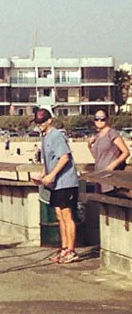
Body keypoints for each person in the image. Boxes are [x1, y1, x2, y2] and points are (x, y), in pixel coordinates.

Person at [33, 108, 80, 264]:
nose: (39, 124)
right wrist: (43, 175)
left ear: (49, 121)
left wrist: (52, 175)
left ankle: (71, 251)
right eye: (37, 122)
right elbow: (50, 161)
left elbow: (64, 157)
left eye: (42, 121)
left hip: (66, 182)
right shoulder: (45, 137)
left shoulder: (56, 135)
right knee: (59, 216)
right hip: (56, 184)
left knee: (67, 216)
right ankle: (64, 248)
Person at [87, 109, 130, 194]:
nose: (99, 121)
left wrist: (113, 165)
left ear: (107, 120)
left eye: (102, 118)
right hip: (99, 176)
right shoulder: (98, 136)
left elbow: (126, 152)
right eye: (97, 118)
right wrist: (89, 146)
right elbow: (97, 157)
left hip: (111, 176)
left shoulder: (112, 133)